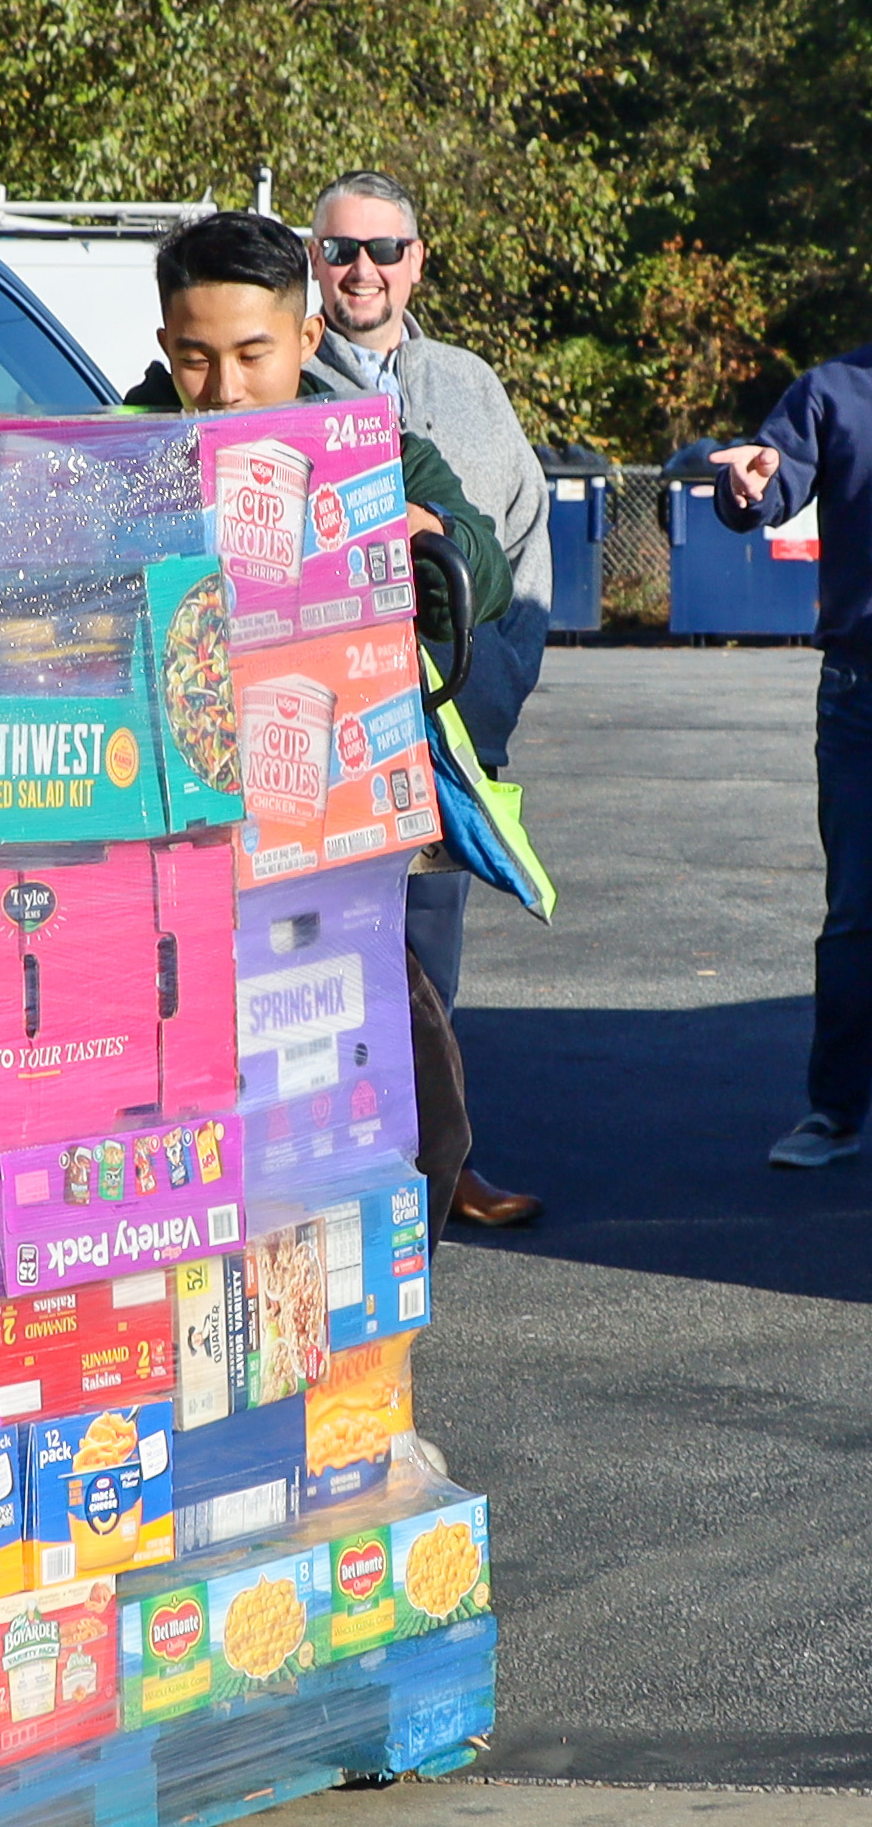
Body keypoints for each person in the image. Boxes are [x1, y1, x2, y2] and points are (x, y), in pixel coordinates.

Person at [125, 209, 514, 1244]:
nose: (224, 387)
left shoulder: (365, 446)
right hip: (163, 848)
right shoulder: (119, 451)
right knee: (184, 1112)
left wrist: (430, 536)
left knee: (422, 1113)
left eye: (253, 354)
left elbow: (481, 560)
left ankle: (378, 1305)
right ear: (164, 343)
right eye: (196, 357)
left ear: (305, 339)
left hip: (329, 842)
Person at [304, 170, 551, 1229]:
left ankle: (440, 1166)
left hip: (448, 732)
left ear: (416, 262)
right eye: (339, 250)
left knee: (430, 962)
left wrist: (487, 694)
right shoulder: (279, 373)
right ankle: (345, 1175)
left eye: (383, 249)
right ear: (313, 263)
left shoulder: (467, 384)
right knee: (326, 964)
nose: (361, 269)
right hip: (321, 740)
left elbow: (519, 544)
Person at [714, 354, 872, 1167]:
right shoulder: (832, 391)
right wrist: (745, 486)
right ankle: (835, 1112)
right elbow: (768, 486)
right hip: (860, 692)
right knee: (855, 912)